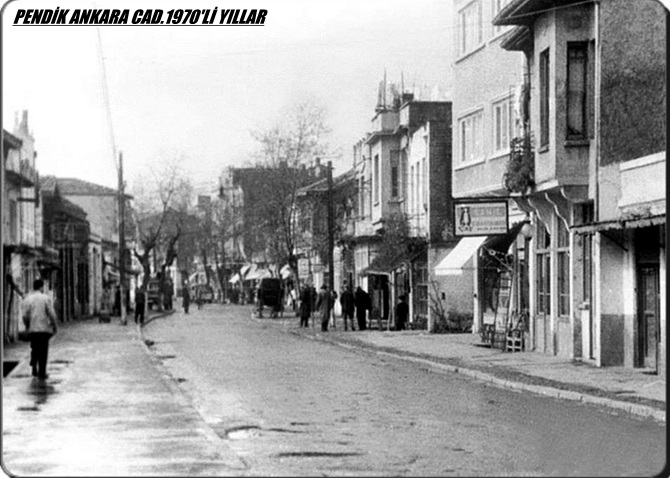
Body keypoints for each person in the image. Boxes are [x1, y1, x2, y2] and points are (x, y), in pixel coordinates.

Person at [22, 279, 58, 379]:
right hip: (44, 329)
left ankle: (34, 365)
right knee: (43, 351)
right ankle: (42, 372)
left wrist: (27, 325)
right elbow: (51, 314)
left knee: (34, 346)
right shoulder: (46, 298)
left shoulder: (28, 299)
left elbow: (24, 316)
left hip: (33, 329)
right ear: (41, 287)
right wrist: (54, 326)